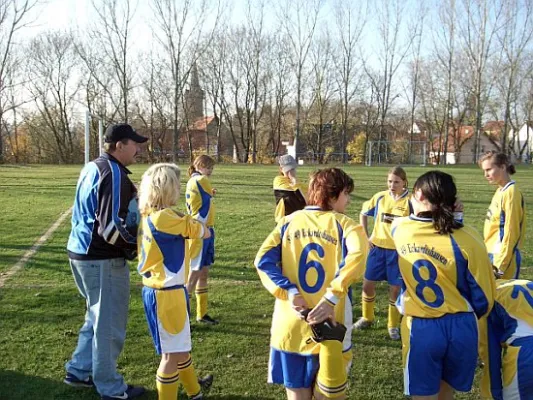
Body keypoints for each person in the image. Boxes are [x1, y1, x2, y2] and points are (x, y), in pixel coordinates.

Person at [255, 168, 368, 400]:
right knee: (330, 394)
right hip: (331, 323)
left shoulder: (288, 221)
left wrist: (290, 291)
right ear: (333, 195)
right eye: (347, 194)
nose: (348, 200)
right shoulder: (346, 225)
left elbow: (262, 261)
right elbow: (359, 256)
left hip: (292, 324)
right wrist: (332, 296)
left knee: (297, 394)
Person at [391, 171, 496, 400]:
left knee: (423, 395)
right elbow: (485, 297)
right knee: (446, 394)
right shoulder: (470, 237)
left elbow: (408, 221)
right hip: (461, 326)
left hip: (422, 326)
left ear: (418, 193)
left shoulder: (400, 230)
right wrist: (457, 218)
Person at [64, 123, 147, 399]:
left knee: (95, 317)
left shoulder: (92, 166)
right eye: (134, 144)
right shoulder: (113, 173)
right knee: (108, 325)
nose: (138, 149)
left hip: (80, 253)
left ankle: (78, 370)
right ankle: (110, 387)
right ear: (119, 145)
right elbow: (111, 228)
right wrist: (137, 246)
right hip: (101, 259)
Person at [137, 163, 213, 400]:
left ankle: (195, 393)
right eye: (176, 184)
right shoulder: (165, 217)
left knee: (180, 349)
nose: (180, 189)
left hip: (164, 292)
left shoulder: (152, 214)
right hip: (166, 294)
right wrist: (187, 217)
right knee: (170, 356)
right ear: (167, 188)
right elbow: (203, 230)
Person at [353, 166, 411, 340]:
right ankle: (367, 317)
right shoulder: (379, 197)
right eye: (390, 181)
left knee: (395, 289)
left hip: (398, 252)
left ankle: (393, 325)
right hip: (377, 249)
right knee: (367, 284)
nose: (392, 185)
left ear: (404, 182)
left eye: (396, 182)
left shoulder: (411, 201)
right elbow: (363, 213)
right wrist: (366, 235)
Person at [479, 277, 533, 400]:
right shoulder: (524, 282)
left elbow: (490, 357)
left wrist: (492, 395)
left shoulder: (487, 298)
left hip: (525, 353)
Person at [479, 151, 526, 279]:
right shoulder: (500, 190)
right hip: (491, 254)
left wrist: (500, 266)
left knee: (501, 297)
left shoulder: (511, 193)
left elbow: (511, 232)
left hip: (501, 257)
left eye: (489, 169)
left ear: (503, 167)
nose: (486, 174)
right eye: (484, 171)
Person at [186, 155, 218, 324]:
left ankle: (202, 313)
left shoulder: (195, 180)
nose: (210, 172)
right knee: (194, 274)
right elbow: (207, 191)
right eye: (208, 168)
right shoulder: (201, 180)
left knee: (203, 273)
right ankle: (183, 316)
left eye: (212, 168)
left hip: (206, 230)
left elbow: (205, 196)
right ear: (199, 166)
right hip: (199, 232)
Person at [273, 154, 306, 223]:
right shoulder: (278, 180)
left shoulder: (298, 182)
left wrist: (295, 182)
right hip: (283, 220)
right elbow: (295, 194)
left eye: (292, 169)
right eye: (287, 170)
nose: (290, 172)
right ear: (281, 169)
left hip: (298, 220)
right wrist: (295, 182)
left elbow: (304, 200)